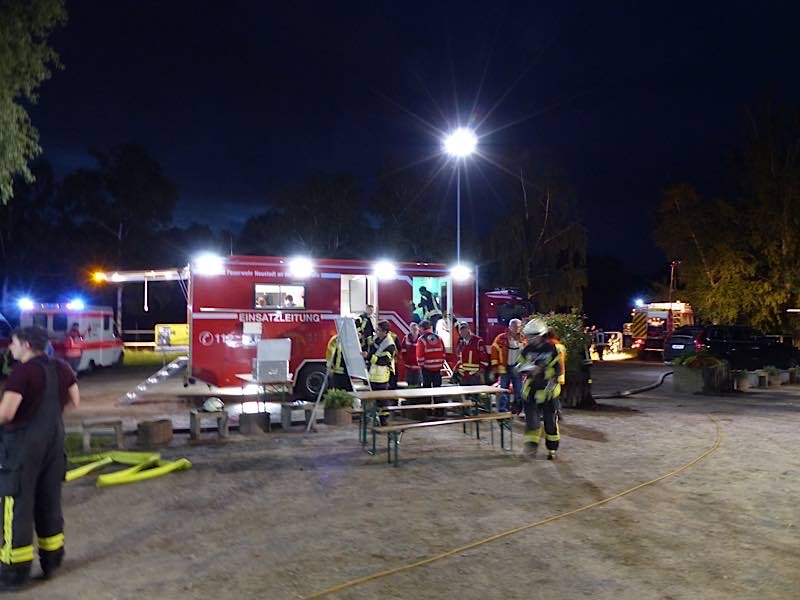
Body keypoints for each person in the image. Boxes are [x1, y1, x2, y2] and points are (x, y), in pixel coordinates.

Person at [0, 326, 80, 589]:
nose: (10, 347)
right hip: (53, 444)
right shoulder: (62, 368)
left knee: (17, 503)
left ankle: (14, 572)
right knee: (49, 500)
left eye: (12, 343)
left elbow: (7, 413)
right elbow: (74, 401)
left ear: (25, 344)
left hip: (23, 447)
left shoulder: (22, 373)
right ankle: (51, 560)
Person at [516, 318, 563, 460]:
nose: (528, 339)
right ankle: (531, 449)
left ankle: (552, 450)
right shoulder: (527, 349)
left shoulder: (551, 349)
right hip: (531, 392)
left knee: (550, 423)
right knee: (532, 423)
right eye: (527, 336)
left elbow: (558, 371)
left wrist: (541, 371)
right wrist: (524, 369)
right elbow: (519, 366)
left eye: (531, 337)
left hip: (548, 392)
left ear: (539, 335)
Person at [364, 320, 396, 425]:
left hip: (382, 377)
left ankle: (384, 421)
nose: (376, 332)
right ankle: (375, 419)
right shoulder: (376, 340)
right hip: (373, 376)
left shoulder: (390, 344)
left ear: (385, 332)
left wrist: (368, 356)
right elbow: (372, 353)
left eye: (378, 330)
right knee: (375, 400)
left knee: (382, 401)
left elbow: (383, 361)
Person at [490, 318, 524, 413]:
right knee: (503, 390)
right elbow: (494, 351)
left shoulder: (523, 339)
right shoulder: (501, 338)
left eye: (518, 326)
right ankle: (503, 409)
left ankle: (517, 409)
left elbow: (527, 354)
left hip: (518, 368)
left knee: (518, 390)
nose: (516, 328)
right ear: (509, 327)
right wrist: (495, 366)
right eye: (514, 326)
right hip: (505, 368)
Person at [416, 319, 445, 413]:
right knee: (438, 391)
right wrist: (440, 364)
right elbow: (443, 352)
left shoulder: (421, 340)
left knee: (426, 390)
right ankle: (439, 411)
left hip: (427, 369)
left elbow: (420, 356)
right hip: (438, 369)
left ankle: (427, 411)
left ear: (421, 328)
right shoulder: (439, 338)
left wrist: (421, 366)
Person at [455, 322, 488, 386]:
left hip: (474, 376)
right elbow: (460, 359)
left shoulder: (478, 341)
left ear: (468, 329)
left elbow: (484, 360)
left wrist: (480, 371)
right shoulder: (461, 344)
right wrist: (456, 369)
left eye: (464, 329)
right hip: (463, 376)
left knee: (475, 395)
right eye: (460, 330)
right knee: (464, 395)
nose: (462, 331)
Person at [399, 322, 422, 387]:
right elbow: (403, 351)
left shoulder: (421, 339)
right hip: (409, 366)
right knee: (410, 382)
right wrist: (406, 361)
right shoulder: (406, 338)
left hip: (418, 366)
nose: (414, 331)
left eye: (416, 329)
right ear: (410, 330)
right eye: (413, 329)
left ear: (418, 330)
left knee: (418, 384)